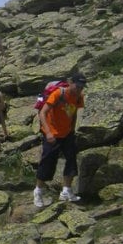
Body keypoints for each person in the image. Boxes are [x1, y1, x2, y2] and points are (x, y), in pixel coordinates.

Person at [33, 73, 87, 208]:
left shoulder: (79, 97)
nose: (79, 89)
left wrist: (72, 130)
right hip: (52, 134)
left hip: (67, 133)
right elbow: (42, 113)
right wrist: (49, 132)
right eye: (77, 85)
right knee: (47, 162)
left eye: (82, 86)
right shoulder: (58, 94)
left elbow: (74, 113)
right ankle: (38, 192)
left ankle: (66, 191)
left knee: (71, 160)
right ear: (71, 82)